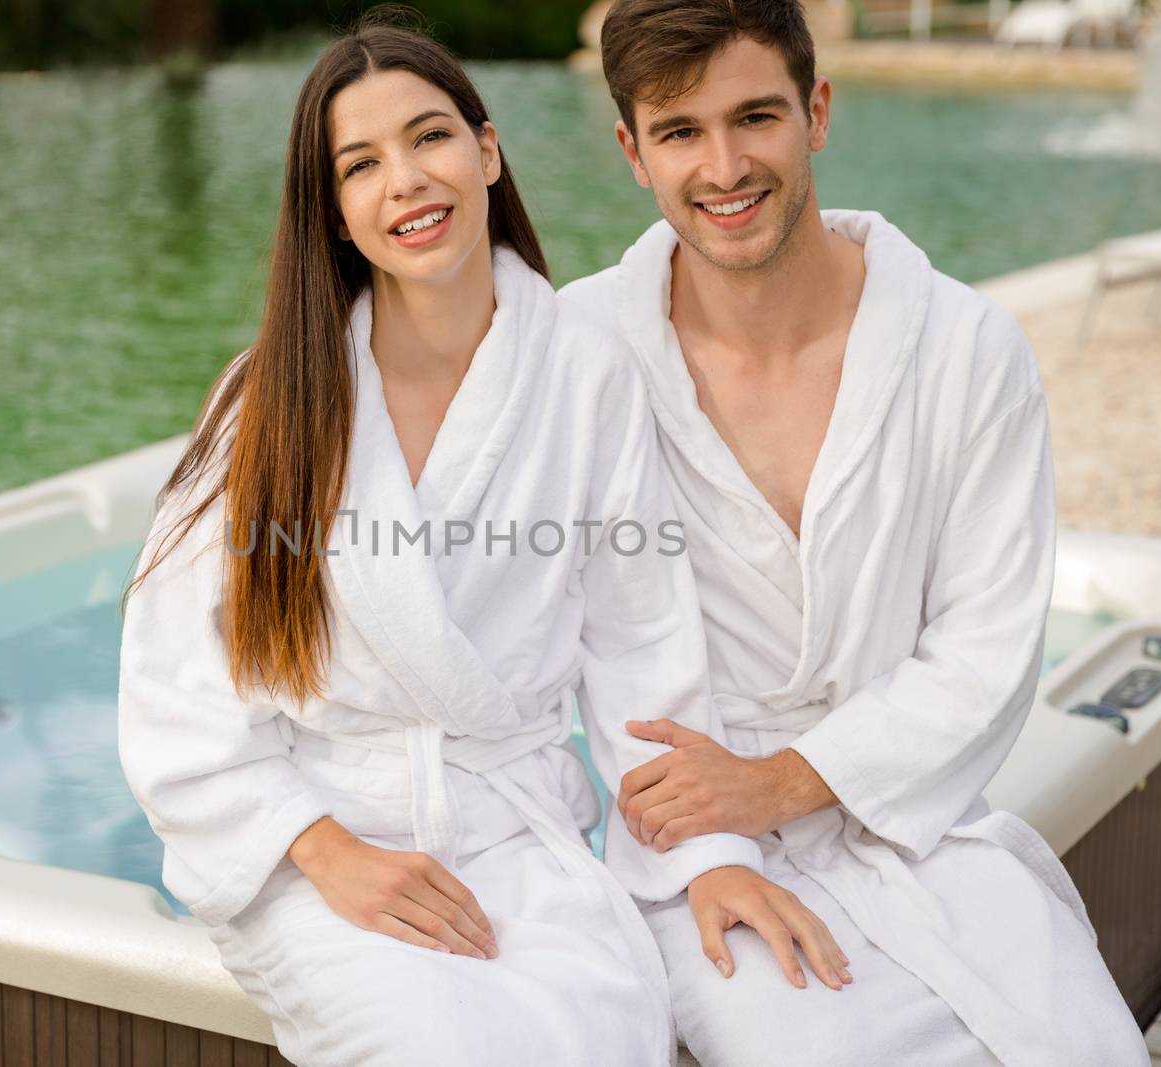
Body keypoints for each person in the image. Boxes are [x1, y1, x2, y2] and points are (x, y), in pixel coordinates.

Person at [116, 14, 845, 1067]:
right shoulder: (268, 396)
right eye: (360, 164)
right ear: (332, 211)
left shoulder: (584, 376)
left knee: (601, 1034)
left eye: (429, 138)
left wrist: (710, 854)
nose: (405, 180)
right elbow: (174, 681)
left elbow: (641, 650)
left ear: (487, 152)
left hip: (516, 843)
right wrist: (326, 852)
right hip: (321, 848)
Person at [558, 1, 1150, 1063]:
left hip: (913, 827)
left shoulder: (966, 348)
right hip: (697, 854)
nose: (725, 165)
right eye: (680, 131)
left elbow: (984, 649)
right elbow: (563, 639)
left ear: (816, 110)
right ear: (631, 153)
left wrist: (785, 776)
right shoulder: (582, 352)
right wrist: (717, 834)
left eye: (756, 117)